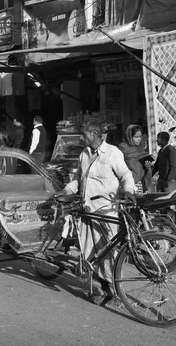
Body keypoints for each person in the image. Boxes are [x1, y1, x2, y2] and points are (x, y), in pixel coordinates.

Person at [55, 122, 136, 306]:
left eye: (84, 135)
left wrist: (129, 191)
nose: (82, 138)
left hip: (105, 212)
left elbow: (125, 174)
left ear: (93, 134)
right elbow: (78, 179)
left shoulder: (113, 153)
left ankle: (116, 292)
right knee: (90, 254)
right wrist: (67, 190)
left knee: (109, 253)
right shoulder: (84, 154)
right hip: (87, 211)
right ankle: (102, 290)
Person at [117, 124, 151, 192]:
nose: (139, 139)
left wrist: (148, 167)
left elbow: (143, 169)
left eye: (140, 136)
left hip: (141, 183)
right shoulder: (121, 149)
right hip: (126, 183)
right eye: (136, 137)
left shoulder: (140, 150)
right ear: (129, 136)